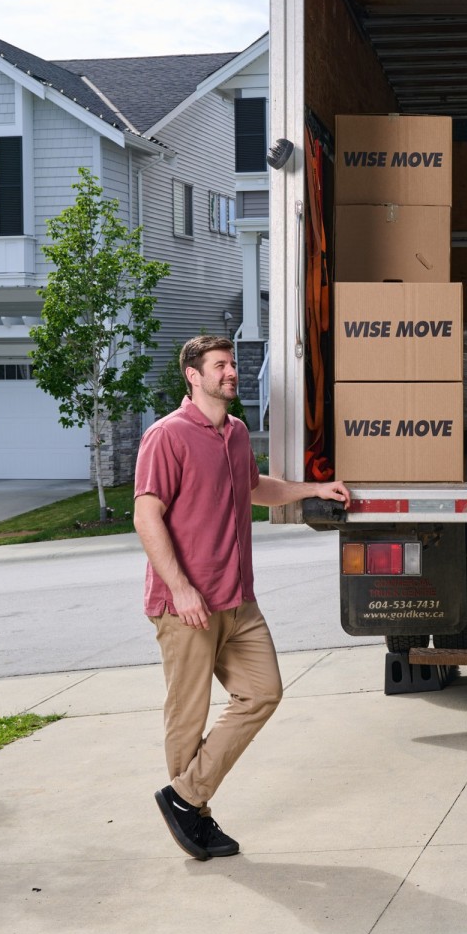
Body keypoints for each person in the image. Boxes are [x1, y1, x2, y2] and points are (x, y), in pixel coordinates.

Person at [134, 334, 350, 860]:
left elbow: (254, 487)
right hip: (187, 605)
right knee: (188, 716)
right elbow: (146, 515)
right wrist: (181, 589)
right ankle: (197, 820)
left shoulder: (234, 432)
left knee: (264, 692)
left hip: (237, 599)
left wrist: (310, 490)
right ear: (194, 375)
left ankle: (185, 798)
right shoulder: (167, 436)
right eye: (220, 366)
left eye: (232, 365)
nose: (231, 373)